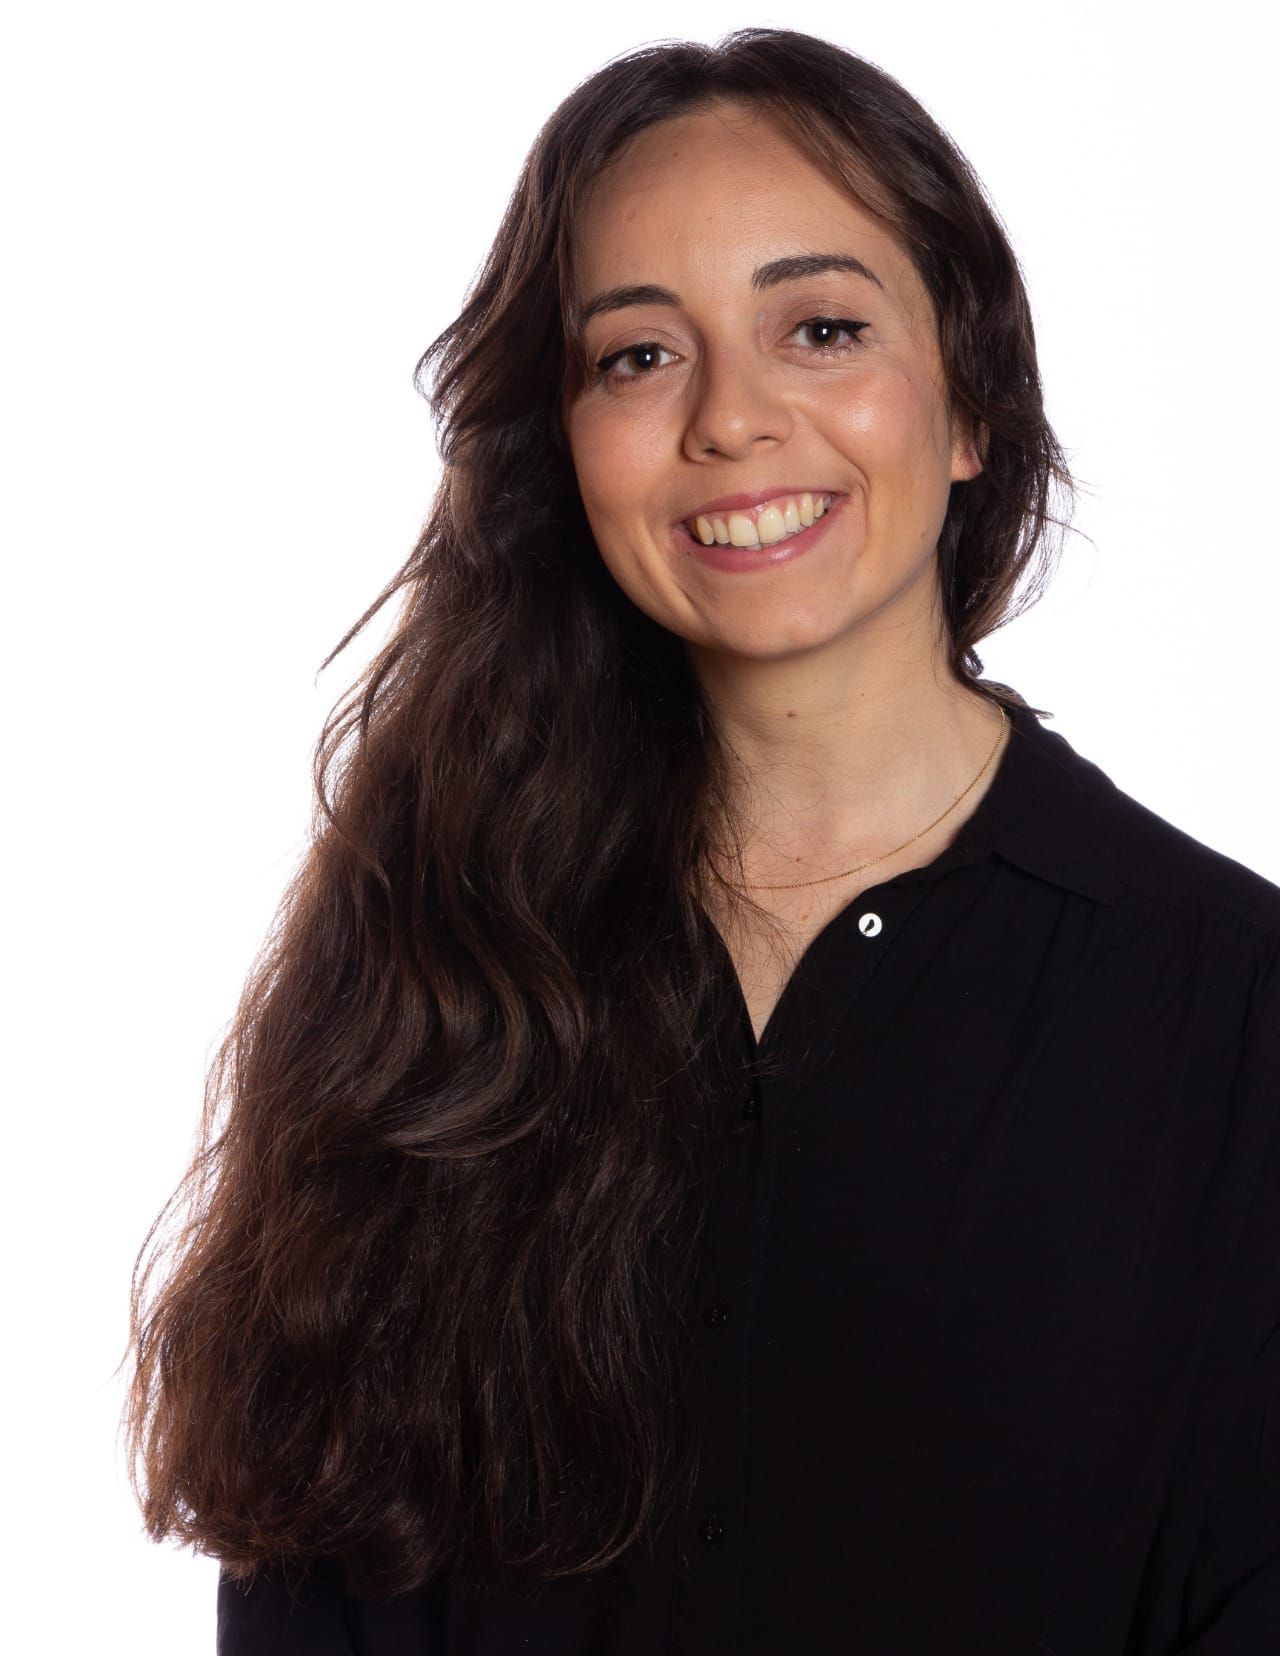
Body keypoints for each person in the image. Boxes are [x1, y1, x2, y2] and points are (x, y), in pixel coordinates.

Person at [120, 27, 1280, 1655]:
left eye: (821, 328)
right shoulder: (426, 971)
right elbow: (310, 1565)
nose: (731, 419)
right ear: (564, 443)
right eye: (639, 356)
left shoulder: (1237, 1019)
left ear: (970, 405)